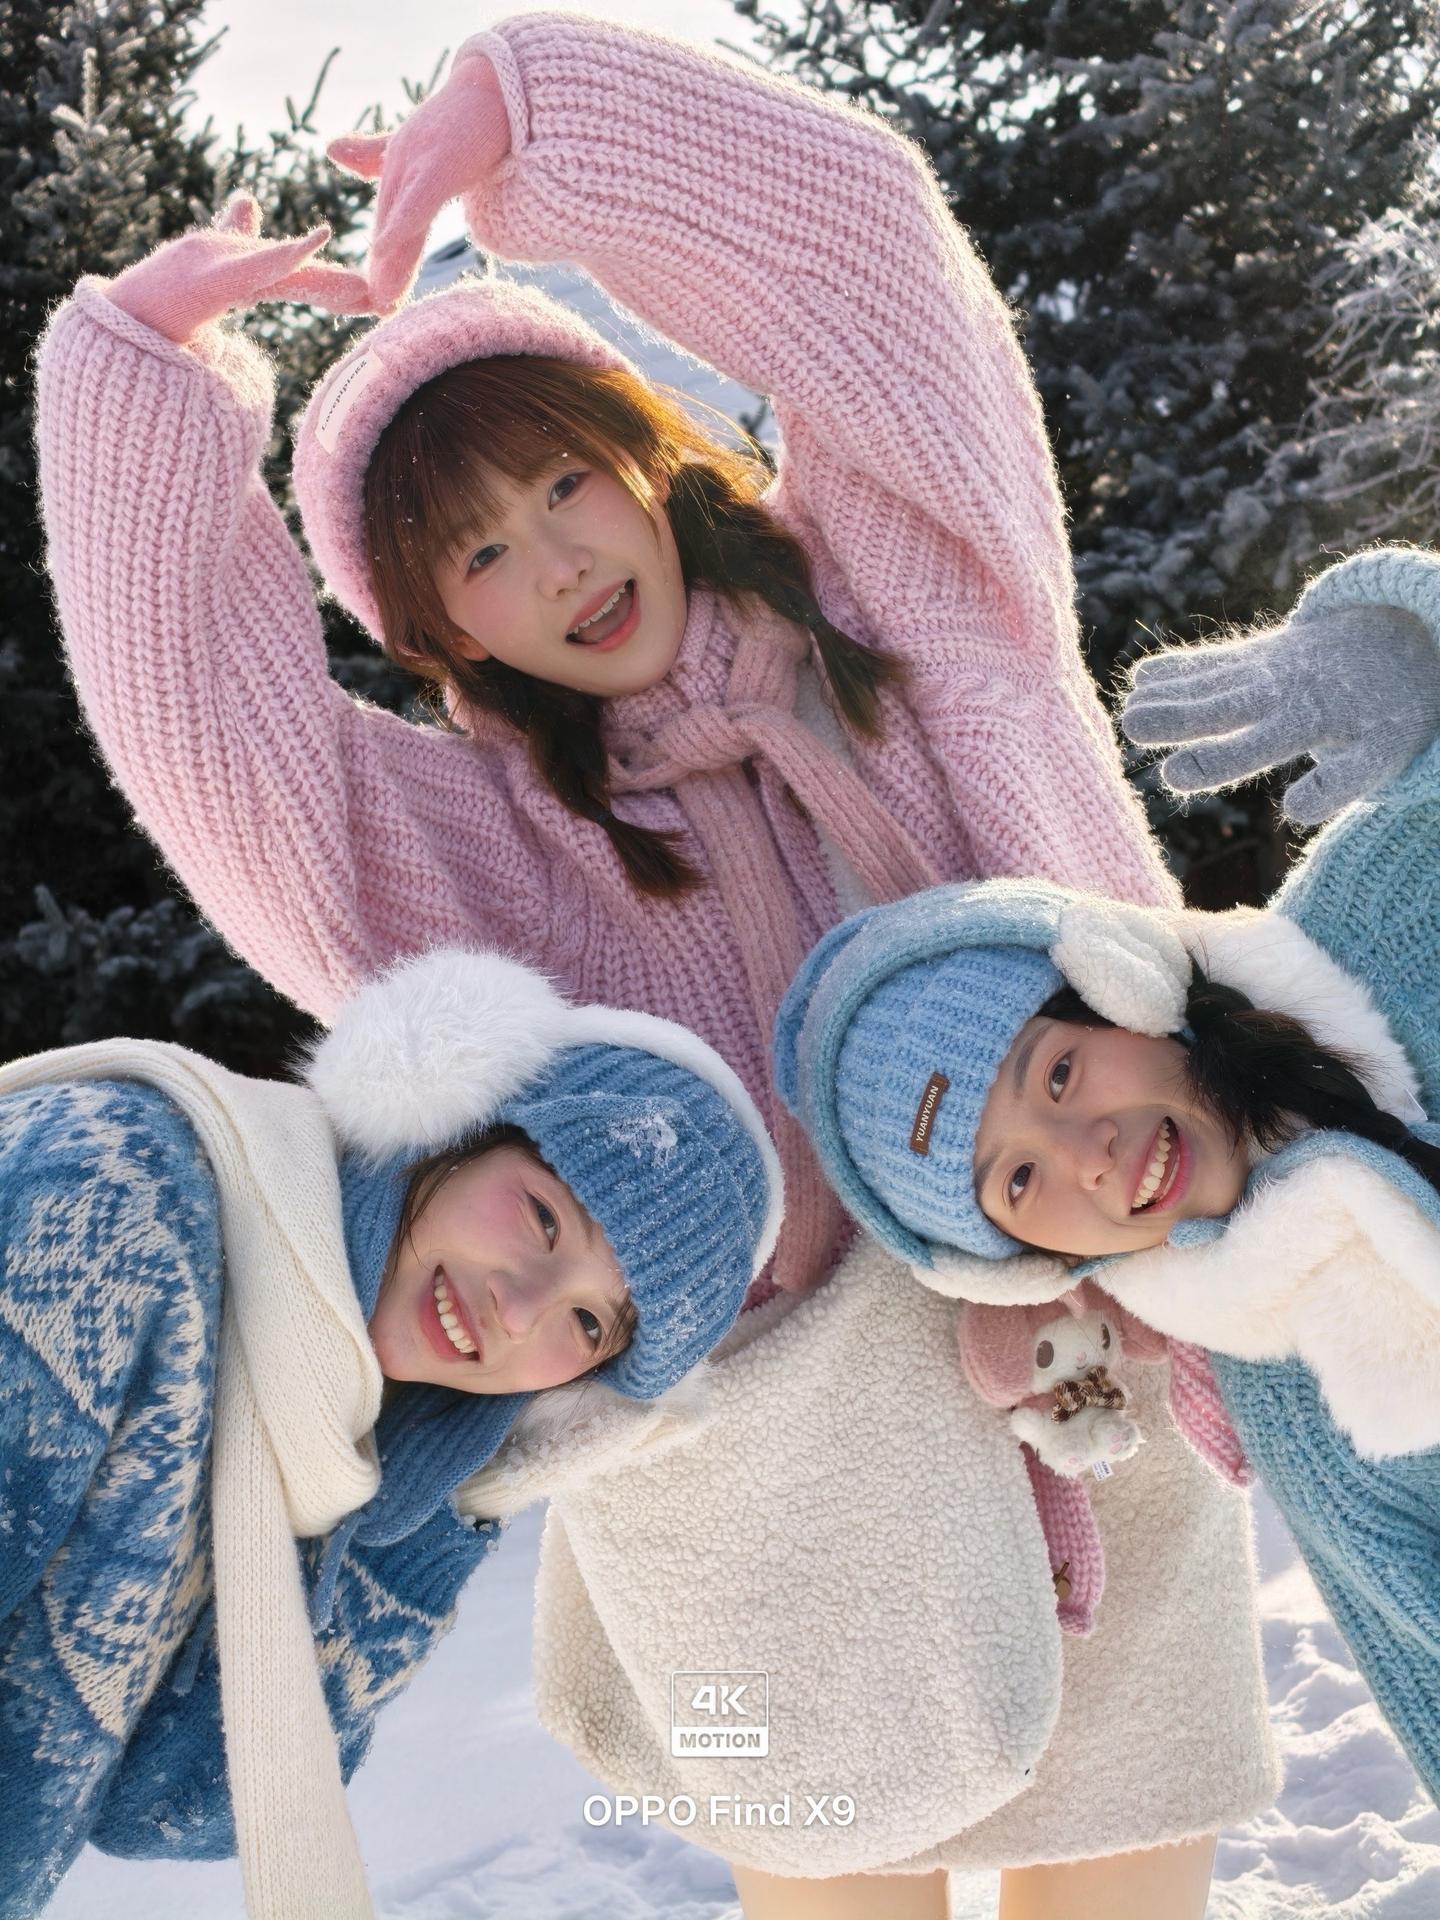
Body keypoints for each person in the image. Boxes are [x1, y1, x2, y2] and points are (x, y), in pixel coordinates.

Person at [33, 13, 1272, 1912]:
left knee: (1120, 1874)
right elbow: (225, 764)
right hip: (781, 1491)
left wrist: (543, 119)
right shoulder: (487, 845)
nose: (555, 565)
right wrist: (141, 388)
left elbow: (875, 260)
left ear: (642, 454)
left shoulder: (913, 600)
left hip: (1104, 1346)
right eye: (476, 559)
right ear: (443, 631)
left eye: (564, 486)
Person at [776, 543, 1440, 1802]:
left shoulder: (1377, 924)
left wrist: (1409, 653)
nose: (1088, 1155)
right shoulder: (1297, 1390)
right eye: (1018, 1186)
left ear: (1121, 988)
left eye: (1061, 1073)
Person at [0, 945, 779, 1920]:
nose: (520, 1310)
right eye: (544, 1219)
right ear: (457, 1125)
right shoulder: (113, 1196)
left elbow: (177, 1807)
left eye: (589, 1324)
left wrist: (433, 1515)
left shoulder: (333, 1460)